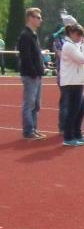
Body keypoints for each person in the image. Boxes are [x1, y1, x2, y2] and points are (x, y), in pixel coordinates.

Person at [17, 7, 46, 140]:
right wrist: (34, 72)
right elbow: (26, 57)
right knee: (29, 104)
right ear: (30, 18)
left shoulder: (33, 35)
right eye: (38, 17)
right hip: (30, 75)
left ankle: (33, 129)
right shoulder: (25, 35)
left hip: (36, 75)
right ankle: (28, 131)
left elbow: (35, 55)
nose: (40, 20)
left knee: (36, 105)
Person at [60, 24, 84, 147]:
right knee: (74, 110)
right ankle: (68, 137)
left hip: (76, 81)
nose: (80, 38)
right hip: (71, 82)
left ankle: (77, 134)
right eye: (78, 35)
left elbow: (80, 62)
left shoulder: (73, 45)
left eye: (81, 35)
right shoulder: (69, 46)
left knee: (82, 108)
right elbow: (83, 59)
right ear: (71, 33)